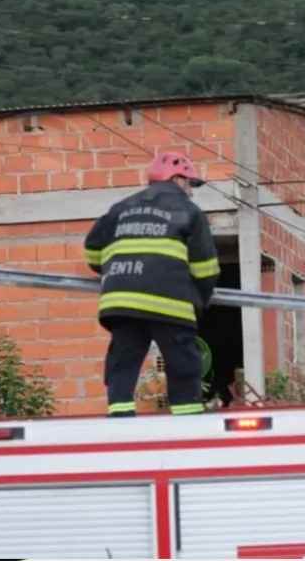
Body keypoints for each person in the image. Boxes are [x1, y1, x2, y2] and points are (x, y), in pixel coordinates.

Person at [84, 152, 220, 417]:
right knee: (182, 362)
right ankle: (188, 421)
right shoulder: (189, 212)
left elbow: (92, 251)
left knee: (123, 360)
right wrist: (199, 302)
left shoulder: (120, 208)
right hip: (170, 303)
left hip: (121, 302)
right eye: (191, 184)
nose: (191, 192)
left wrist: (114, 270)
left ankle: (121, 417)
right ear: (179, 179)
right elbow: (205, 269)